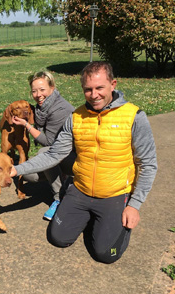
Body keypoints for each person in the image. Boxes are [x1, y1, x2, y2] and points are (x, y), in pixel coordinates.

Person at [11, 62, 157, 264]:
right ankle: (84, 210)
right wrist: (15, 169)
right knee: (58, 238)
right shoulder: (76, 117)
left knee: (105, 253)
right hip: (81, 189)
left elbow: (148, 164)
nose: (94, 94)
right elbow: (54, 154)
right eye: (88, 89)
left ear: (113, 84)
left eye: (100, 88)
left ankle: (106, 221)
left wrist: (135, 205)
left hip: (114, 193)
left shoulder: (134, 116)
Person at [12, 70, 75, 220]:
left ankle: (60, 198)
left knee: (43, 153)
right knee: (28, 174)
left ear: (52, 88)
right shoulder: (43, 107)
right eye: (34, 91)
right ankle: (62, 178)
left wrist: (27, 125)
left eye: (42, 90)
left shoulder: (60, 109)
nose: (38, 94)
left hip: (75, 156)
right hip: (60, 152)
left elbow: (49, 142)